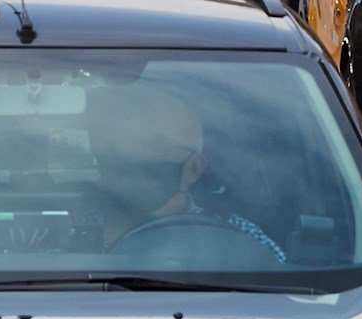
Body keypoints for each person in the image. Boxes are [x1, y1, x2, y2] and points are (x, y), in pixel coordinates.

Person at [87, 81, 285, 260]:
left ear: (194, 168)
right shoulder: (74, 222)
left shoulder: (239, 237)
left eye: (157, 146)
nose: (137, 155)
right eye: (127, 143)